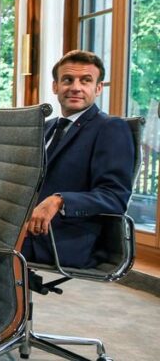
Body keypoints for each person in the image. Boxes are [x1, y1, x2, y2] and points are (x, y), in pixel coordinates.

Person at [23, 50, 134, 268]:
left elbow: (115, 196)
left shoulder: (111, 128)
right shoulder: (46, 126)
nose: (75, 87)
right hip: (25, 226)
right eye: (67, 80)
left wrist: (59, 200)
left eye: (86, 80)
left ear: (98, 88)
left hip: (64, 238)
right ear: (55, 86)